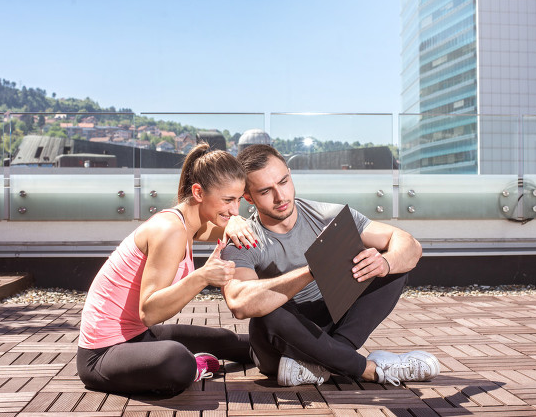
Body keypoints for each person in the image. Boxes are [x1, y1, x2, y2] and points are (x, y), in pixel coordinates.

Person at [221, 144, 440, 387]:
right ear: (248, 197)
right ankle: (371, 370)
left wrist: (384, 263)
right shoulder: (243, 239)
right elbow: (240, 304)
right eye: (265, 191)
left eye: (283, 182)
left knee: (390, 269)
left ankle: (325, 361)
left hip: (326, 332)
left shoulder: (325, 216)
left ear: (290, 175)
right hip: (279, 347)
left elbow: (410, 246)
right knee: (266, 313)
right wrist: (313, 270)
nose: (280, 197)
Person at [77, 143, 257, 395]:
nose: (235, 208)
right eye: (228, 200)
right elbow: (149, 312)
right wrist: (203, 276)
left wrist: (236, 221)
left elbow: (237, 229)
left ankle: (298, 357)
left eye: (238, 200)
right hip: (102, 354)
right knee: (176, 359)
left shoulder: (192, 223)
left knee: (227, 340)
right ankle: (194, 364)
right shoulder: (169, 230)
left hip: (140, 337)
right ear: (198, 192)